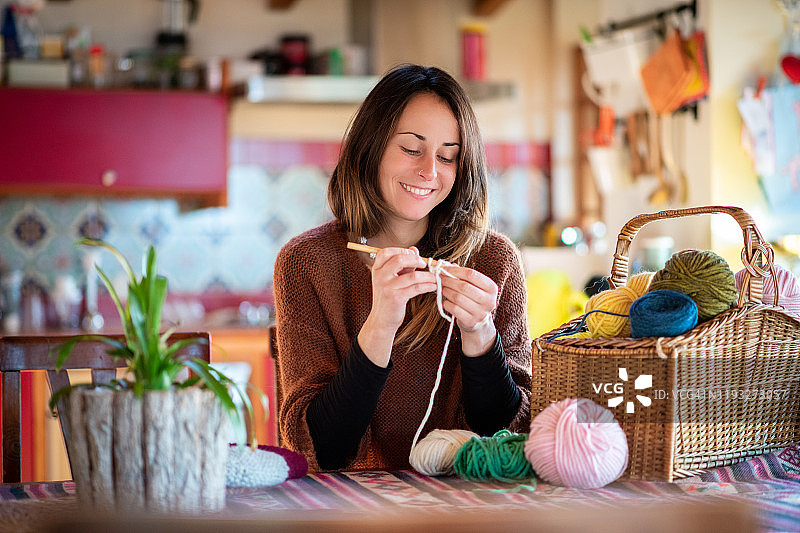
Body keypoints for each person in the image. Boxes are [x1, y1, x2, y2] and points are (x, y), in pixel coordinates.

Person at [273, 64, 532, 472]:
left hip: (469, 510)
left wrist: (480, 335)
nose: (430, 171)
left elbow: (511, 438)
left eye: (448, 156)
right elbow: (320, 449)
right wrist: (380, 324)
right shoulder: (306, 262)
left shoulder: (493, 261)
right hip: (347, 514)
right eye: (412, 149)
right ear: (371, 145)